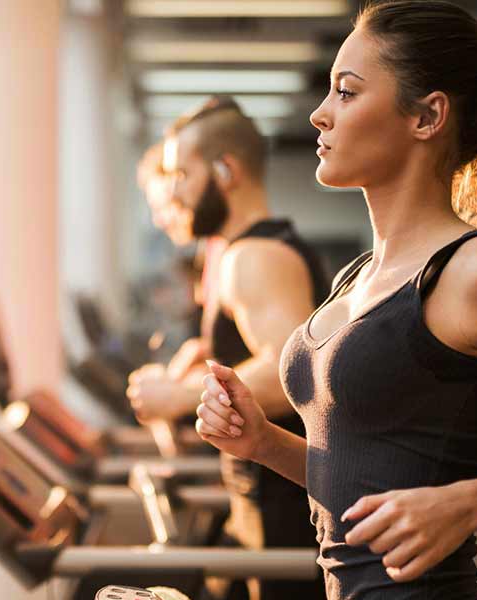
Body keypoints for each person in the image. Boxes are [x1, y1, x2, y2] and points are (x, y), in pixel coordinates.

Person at [195, 1, 477, 598]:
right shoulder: (355, 278)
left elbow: (434, 500)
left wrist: (470, 504)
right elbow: (367, 487)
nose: (319, 114)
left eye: (346, 92)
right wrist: (262, 443)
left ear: (427, 116)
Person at [128, 97, 330, 600]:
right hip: (259, 499)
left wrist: (179, 398)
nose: (174, 189)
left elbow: (293, 372)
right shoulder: (247, 251)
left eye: (183, 173)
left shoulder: (254, 257)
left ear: (226, 170)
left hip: (282, 507)